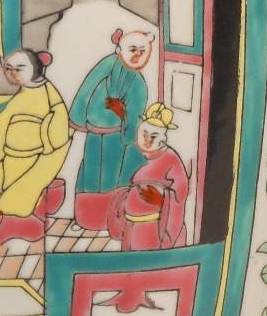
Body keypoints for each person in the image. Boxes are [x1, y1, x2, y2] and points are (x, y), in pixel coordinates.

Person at [0, 49, 72, 242]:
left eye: (19, 68)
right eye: (9, 69)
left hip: (31, 154)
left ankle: (18, 226)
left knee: (22, 190)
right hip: (13, 154)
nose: (13, 73)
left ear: (34, 68)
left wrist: (47, 141)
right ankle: (22, 222)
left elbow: (59, 118)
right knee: (8, 182)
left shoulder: (46, 92)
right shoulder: (26, 91)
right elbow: (0, 121)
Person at [69, 28, 155, 226]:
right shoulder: (107, 65)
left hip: (116, 137)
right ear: (120, 49)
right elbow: (86, 88)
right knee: (89, 173)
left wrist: (123, 113)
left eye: (142, 51)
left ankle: (106, 220)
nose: (137, 55)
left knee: (112, 177)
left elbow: (135, 117)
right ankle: (85, 218)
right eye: (132, 50)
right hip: (94, 132)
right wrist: (77, 119)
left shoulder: (139, 84)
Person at [107, 104, 190, 252]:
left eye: (153, 137)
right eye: (144, 135)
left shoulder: (170, 158)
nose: (147, 141)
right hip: (131, 223)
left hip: (153, 227)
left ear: (162, 140)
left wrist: (163, 198)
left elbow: (181, 191)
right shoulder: (133, 153)